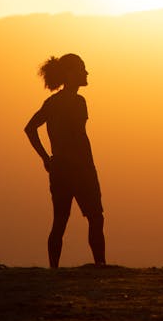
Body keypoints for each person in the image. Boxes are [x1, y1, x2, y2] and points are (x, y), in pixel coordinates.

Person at [24, 53, 106, 268]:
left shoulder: (52, 102)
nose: (86, 73)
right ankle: (100, 266)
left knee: (60, 221)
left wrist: (46, 158)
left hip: (60, 168)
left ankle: (54, 269)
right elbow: (79, 137)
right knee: (96, 218)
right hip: (81, 168)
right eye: (82, 69)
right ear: (70, 73)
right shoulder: (78, 102)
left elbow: (30, 128)